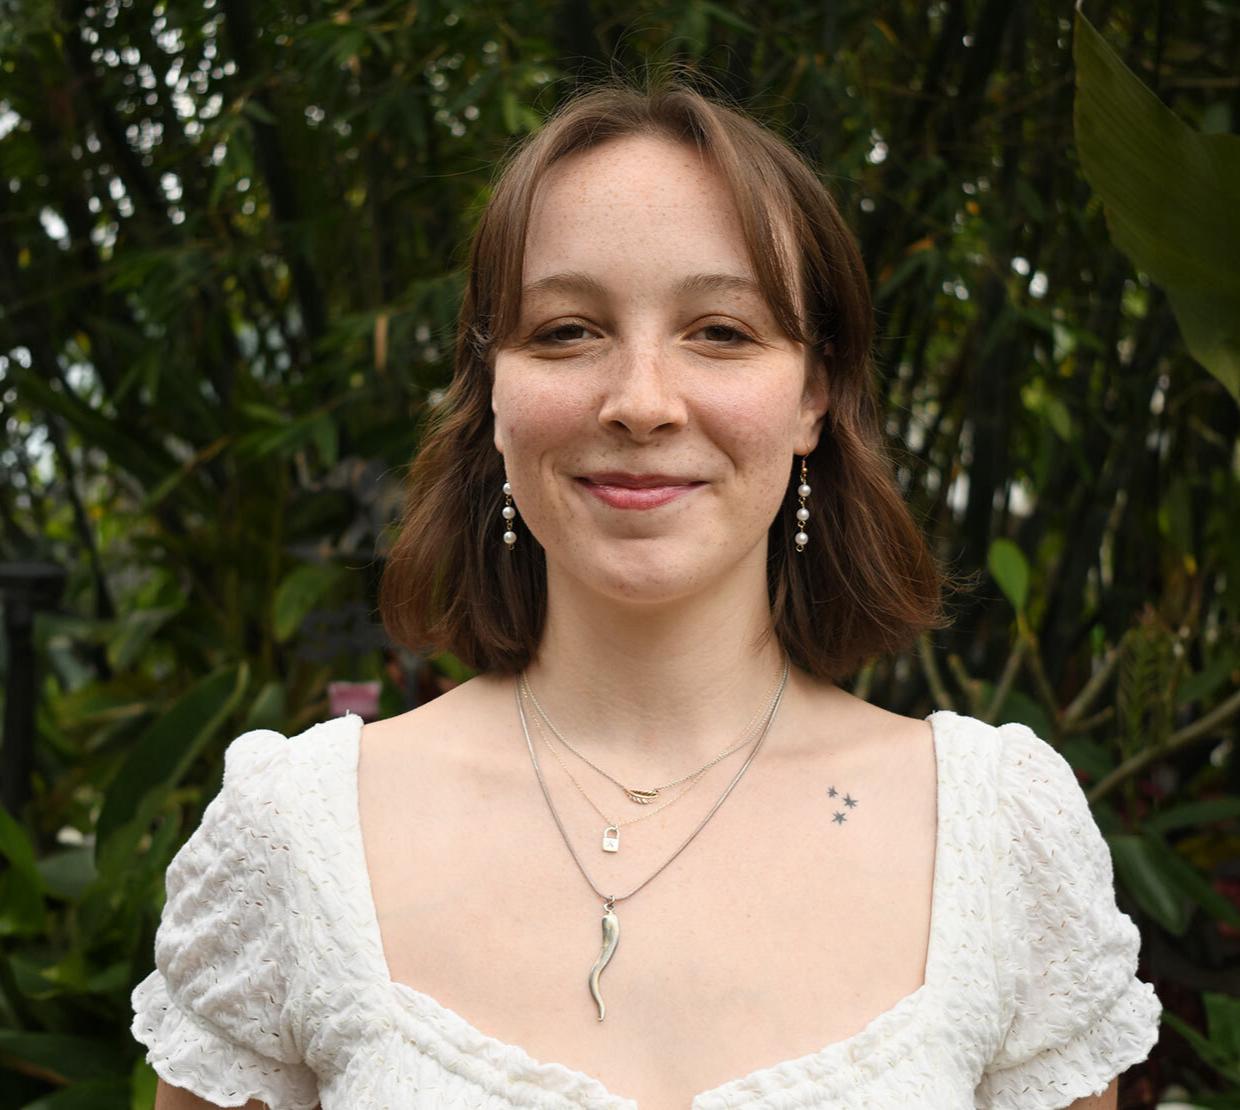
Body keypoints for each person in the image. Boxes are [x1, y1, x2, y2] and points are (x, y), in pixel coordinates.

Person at [130, 73, 1162, 1110]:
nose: (639, 402)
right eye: (566, 331)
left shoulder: (993, 839)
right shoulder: (297, 838)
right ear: (494, 391)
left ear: (814, 394)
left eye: (720, 331)